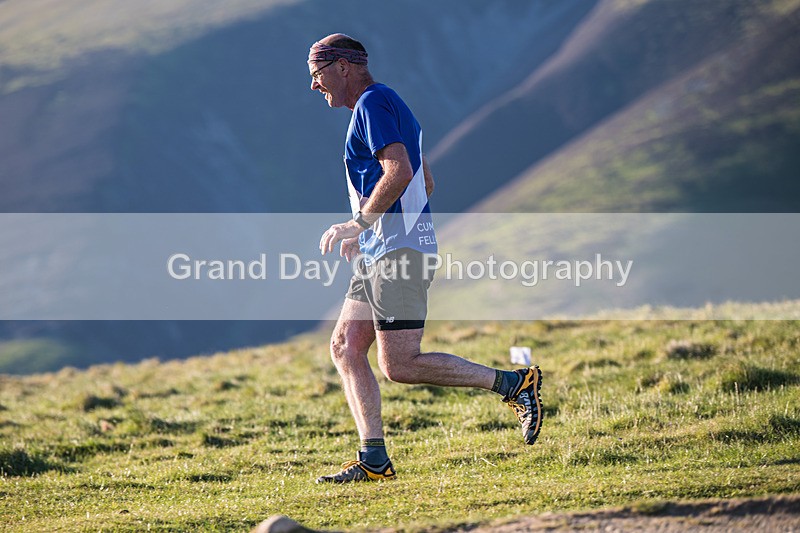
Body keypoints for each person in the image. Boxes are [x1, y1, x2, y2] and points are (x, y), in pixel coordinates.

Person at [308, 33, 543, 483]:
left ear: (342, 67)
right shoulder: (385, 104)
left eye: (317, 74)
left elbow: (399, 172)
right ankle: (374, 460)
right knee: (345, 346)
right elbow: (425, 181)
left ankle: (515, 384)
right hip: (386, 249)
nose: (314, 85)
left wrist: (359, 224)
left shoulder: (372, 104)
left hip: (398, 253)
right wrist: (371, 230)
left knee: (400, 364)